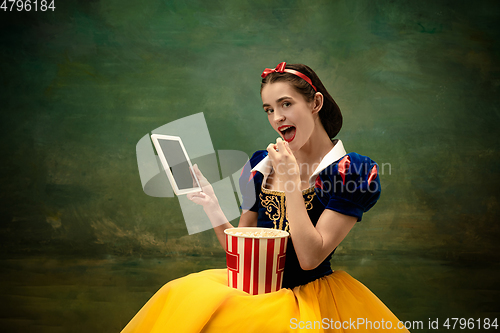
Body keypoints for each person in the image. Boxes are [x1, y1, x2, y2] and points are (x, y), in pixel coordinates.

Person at [121, 62, 410, 332]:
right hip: (251, 290)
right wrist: (212, 206)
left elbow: (310, 257)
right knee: (178, 296)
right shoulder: (262, 164)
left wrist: (290, 179)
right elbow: (242, 252)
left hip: (309, 300)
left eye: (286, 104)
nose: (277, 117)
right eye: (268, 110)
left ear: (316, 103)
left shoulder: (352, 171)